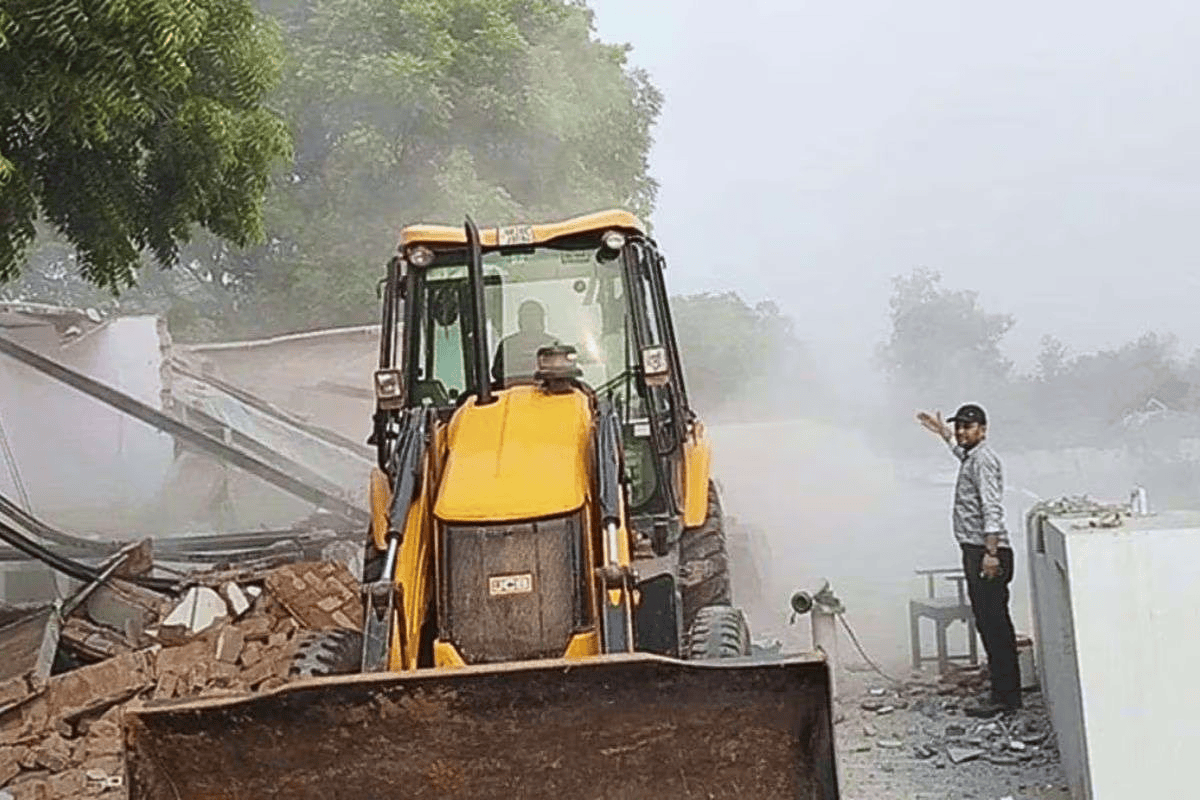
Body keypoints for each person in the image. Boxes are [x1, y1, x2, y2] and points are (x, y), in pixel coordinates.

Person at [917, 403, 1021, 716]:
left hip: (987, 552)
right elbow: (961, 453)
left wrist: (990, 553)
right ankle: (1001, 693)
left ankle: (1007, 699)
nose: (962, 431)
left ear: (984, 430)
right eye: (959, 426)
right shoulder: (972, 457)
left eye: (968, 426)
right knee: (988, 625)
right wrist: (944, 435)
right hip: (976, 550)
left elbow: (992, 508)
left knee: (995, 626)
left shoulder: (984, 461)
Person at [491, 299, 559, 384]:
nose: (531, 321)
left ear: (541, 319)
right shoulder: (507, 345)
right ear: (520, 320)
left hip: (548, 392)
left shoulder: (553, 344)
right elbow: (497, 373)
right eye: (527, 317)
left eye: (534, 316)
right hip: (512, 391)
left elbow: (561, 374)